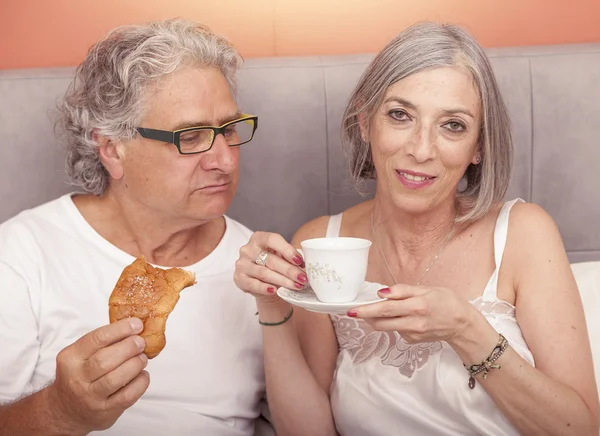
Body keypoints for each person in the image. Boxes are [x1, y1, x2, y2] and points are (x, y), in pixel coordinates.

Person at [234, 22, 600, 435]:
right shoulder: (321, 245)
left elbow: (581, 429)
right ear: (364, 123)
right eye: (399, 115)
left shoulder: (524, 234)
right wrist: (272, 305)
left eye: (453, 125)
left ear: (479, 145)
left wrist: (467, 331)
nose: (421, 150)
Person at [0, 19, 267, 435]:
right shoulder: (23, 253)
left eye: (228, 130)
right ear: (112, 149)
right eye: (191, 137)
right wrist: (59, 411)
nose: (226, 161)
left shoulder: (259, 269)